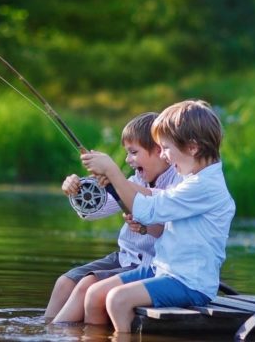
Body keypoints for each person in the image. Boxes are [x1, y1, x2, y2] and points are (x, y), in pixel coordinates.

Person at [80, 99, 236, 333]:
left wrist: (113, 171)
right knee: (95, 294)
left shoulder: (205, 186)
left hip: (188, 282)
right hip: (162, 269)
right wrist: (117, 183)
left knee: (117, 300)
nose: (163, 155)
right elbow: (155, 203)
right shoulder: (192, 178)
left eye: (166, 148)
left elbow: (148, 209)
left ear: (192, 147)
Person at [44, 112, 181, 322]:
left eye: (134, 152)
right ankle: (45, 330)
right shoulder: (136, 179)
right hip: (124, 257)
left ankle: (55, 334)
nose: (128, 160)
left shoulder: (178, 182)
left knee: (86, 287)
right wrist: (78, 190)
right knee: (65, 282)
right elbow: (95, 211)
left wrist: (115, 177)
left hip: (151, 265)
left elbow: (160, 202)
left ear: (158, 150)